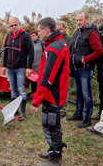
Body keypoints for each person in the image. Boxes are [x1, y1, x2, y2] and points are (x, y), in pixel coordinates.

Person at [31, 17, 70, 166]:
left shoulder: (54, 48)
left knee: (52, 124)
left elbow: (48, 78)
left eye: (40, 31)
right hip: (52, 92)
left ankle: (55, 158)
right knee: (49, 122)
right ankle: (52, 150)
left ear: (47, 30)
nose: (39, 33)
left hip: (53, 94)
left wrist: (36, 100)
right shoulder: (55, 44)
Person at [67, 12, 103, 128]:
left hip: (85, 69)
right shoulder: (77, 32)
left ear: (87, 20)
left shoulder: (92, 33)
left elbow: (99, 50)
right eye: (77, 20)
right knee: (78, 92)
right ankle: (78, 113)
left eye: (80, 20)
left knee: (86, 94)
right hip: (76, 68)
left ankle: (87, 118)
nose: (78, 22)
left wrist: (85, 59)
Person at [2, 17, 34, 121]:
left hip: (20, 68)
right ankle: (14, 110)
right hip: (10, 68)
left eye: (15, 25)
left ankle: (23, 112)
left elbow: (31, 51)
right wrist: (4, 66)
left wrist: (29, 67)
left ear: (19, 24)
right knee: (13, 90)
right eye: (11, 25)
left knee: (21, 90)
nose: (13, 27)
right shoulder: (9, 36)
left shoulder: (25, 36)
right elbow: (6, 51)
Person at [55, 20, 73, 117]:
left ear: (65, 29)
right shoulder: (55, 39)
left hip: (65, 68)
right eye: (56, 29)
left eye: (60, 29)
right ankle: (56, 107)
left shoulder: (70, 39)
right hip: (56, 68)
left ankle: (63, 109)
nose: (58, 31)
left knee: (64, 90)